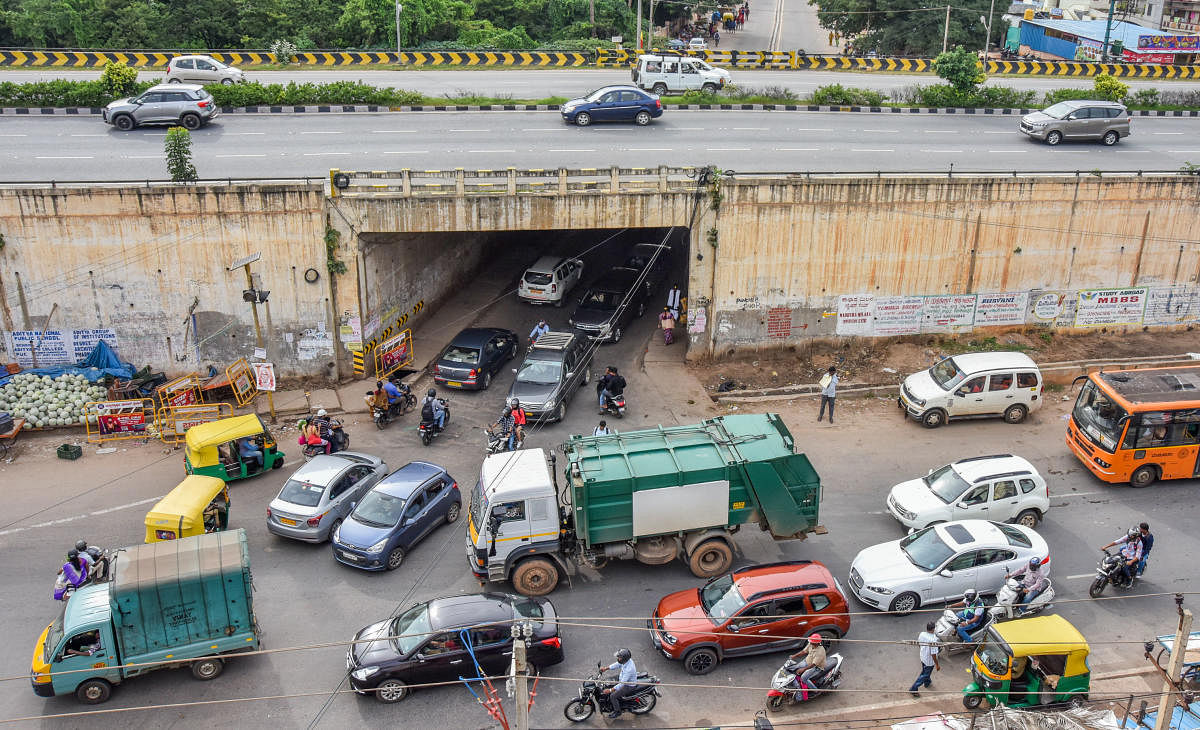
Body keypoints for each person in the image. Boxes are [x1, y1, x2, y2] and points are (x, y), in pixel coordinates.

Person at [787, 634, 828, 700]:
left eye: (811, 642)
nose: (810, 642)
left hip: (816, 667)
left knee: (803, 678)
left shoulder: (820, 652)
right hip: (807, 661)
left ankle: (815, 691)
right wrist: (794, 656)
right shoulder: (811, 644)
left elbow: (813, 664)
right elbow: (804, 651)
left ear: (816, 643)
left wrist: (803, 669)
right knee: (794, 668)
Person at [602, 648, 638, 718]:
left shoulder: (629, 669)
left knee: (612, 696)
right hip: (622, 678)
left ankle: (617, 711)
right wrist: (606, 668)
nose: (618, 658)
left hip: (628, 685)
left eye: (619, 657)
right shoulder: (626, 661)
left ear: (624, 659)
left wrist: (610, 690)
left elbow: (622, 684)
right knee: (609, 682)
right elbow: (617, 664)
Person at [909, 621, 941, 697]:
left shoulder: (922, 634)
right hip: (929, 661)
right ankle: (913, 688)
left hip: (923, 657)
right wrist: (937, 665)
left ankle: (927, 682)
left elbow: (919, 644)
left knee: (925, 671)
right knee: (925, 674)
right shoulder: (933, 640)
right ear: (933, 629)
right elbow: (933, 654)